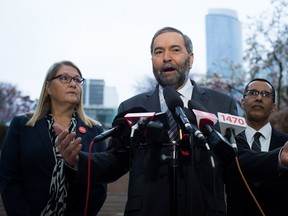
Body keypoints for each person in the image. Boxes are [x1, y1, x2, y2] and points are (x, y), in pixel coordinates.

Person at [56, 27, 239, 216]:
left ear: (190, 59)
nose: (166, 57)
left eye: (175, 50)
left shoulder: (223, 104)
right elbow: (114, 161)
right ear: (152, 60)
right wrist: (78, 161)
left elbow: (237, 166)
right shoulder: (131, 108)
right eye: (158, 52)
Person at [0, 60, 107, 216]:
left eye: (78, 80)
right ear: (48, 88)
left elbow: (99, 187)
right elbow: (9, 179)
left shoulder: (94, 130)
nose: (73, 84)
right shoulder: (22, 125)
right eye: (64, 78)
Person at [225, 78, 288, 216]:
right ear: (242, 102)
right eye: (253, 92)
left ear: (273, 106)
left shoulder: (286, 143)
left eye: (266, 94)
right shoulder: (228, 141)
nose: (259, 98)